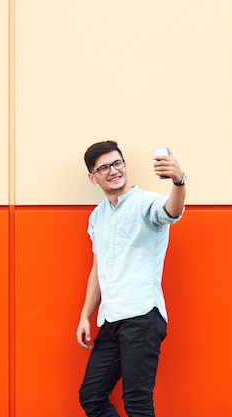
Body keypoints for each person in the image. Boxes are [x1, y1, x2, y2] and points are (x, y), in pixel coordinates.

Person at [76, 140, 186, 417]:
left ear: (124, 165)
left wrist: (178, 181)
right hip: (110, 319)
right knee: (92, 396)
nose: (113, 171)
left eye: (117, 163)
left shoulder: (145, 203)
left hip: (141, 315)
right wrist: (85, 316)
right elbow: (98, 270)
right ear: (93, 177)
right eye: (104, 168)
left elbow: (171, 212)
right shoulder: (96, 217)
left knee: (137, 403)